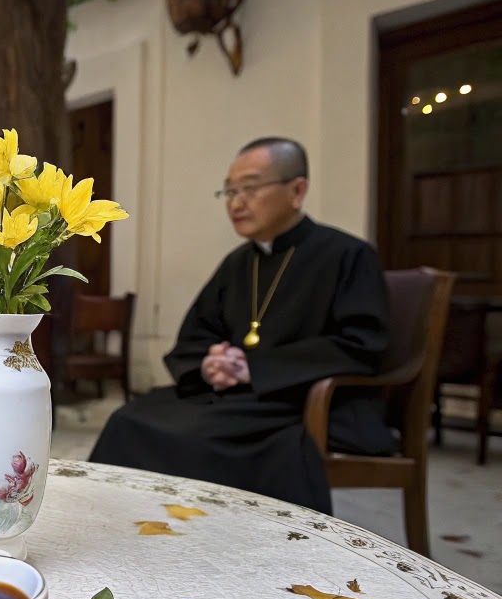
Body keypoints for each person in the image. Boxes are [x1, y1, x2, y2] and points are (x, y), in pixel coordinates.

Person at [89, 137, 393, 513]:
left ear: (297, 190)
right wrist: (208, 363)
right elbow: (196, 336)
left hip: (299, 401)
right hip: (238, 397)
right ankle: (122, 527)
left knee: (198, 435)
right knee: (129, 418)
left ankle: (210, 543)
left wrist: (256, 369)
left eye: (249, 188)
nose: (235, 202)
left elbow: (361, 346)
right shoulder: (238, 263)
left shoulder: (348, 255)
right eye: (229, 191)